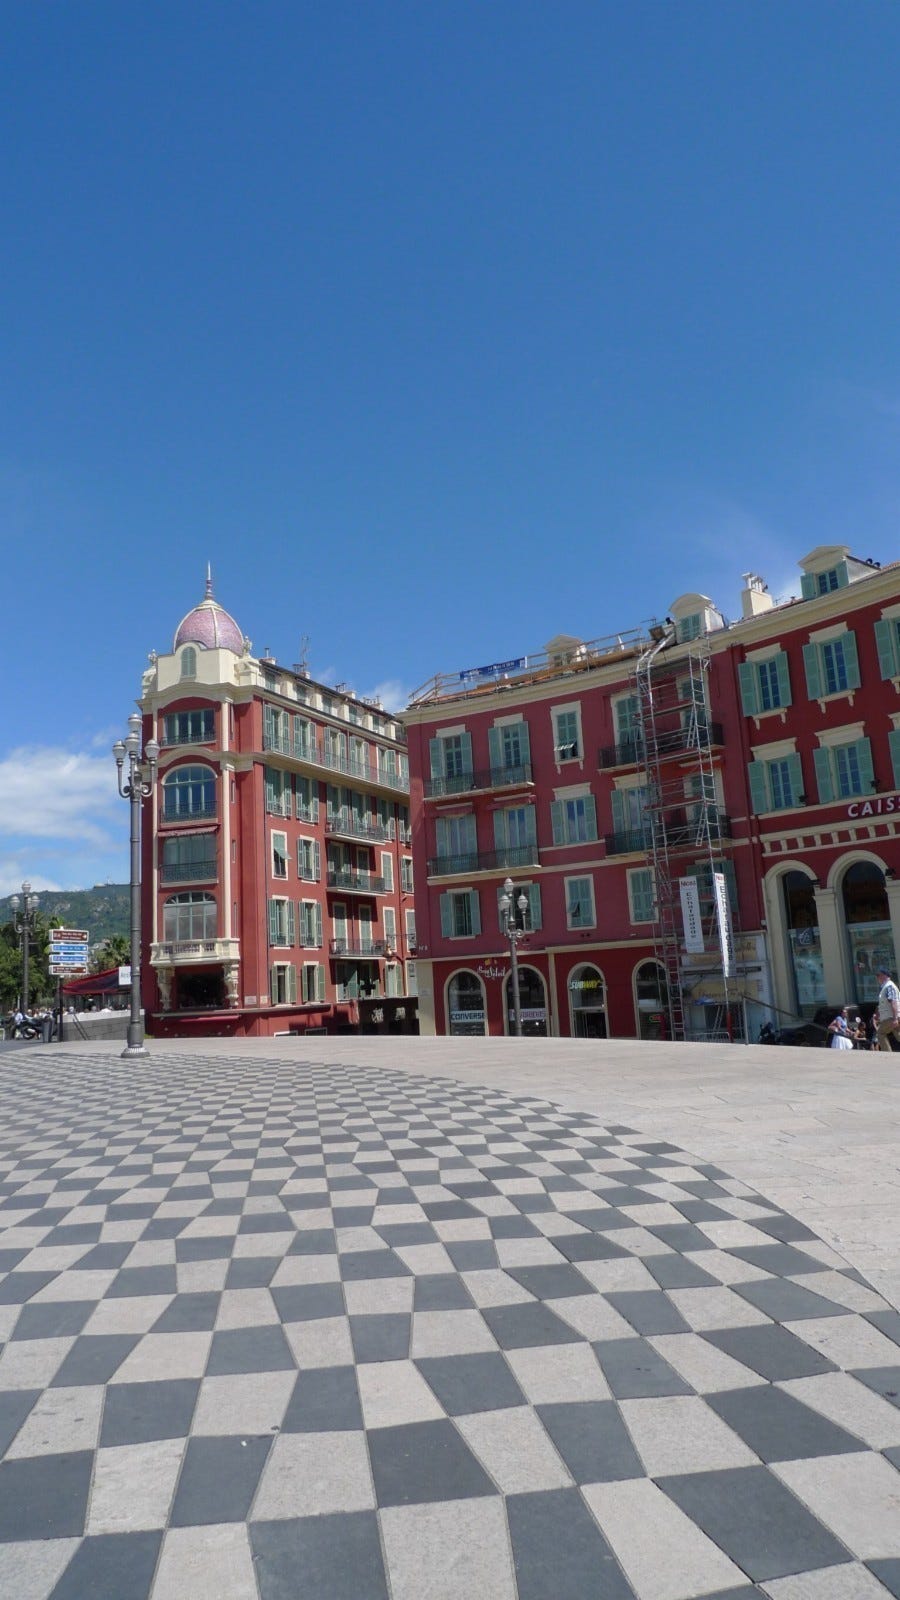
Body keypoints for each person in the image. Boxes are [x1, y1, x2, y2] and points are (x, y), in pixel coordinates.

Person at [875, 966, 900, 1052]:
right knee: (898, 1033)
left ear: (884, 975)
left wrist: (895, 1018)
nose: (877, 977)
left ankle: (888, 1054)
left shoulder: (889, 986)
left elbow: (893, 1002)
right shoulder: (886, 987)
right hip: (892, 1017)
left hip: (890, 1017)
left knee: (880, 1033)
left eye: (878, 975)